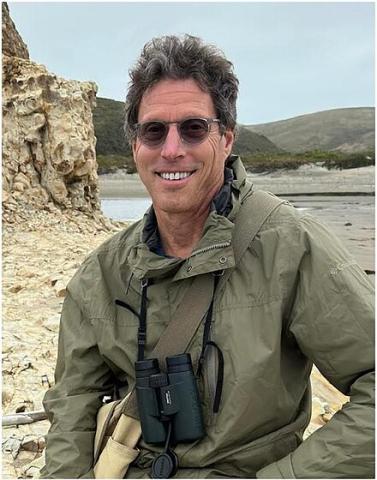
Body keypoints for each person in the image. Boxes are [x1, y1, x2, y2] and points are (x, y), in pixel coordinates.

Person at [41, 35, 374, 479]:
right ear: (135, 145)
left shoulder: (292, 247)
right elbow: (72, 404)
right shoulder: (102, 273)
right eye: (154, 131)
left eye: (193, 128)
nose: (172, 149)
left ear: (226, 139)